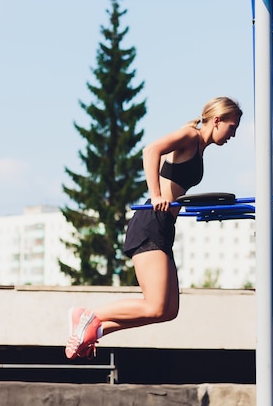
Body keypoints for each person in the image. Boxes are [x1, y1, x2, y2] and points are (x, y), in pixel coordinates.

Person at [65, 96, 243, 359]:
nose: (234, 134)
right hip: (151, 224)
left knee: (167, 311)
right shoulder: (190, 136)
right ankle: (88, 317)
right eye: (232, 127)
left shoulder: (199, 148)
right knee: (154, 305)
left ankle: (95, 330)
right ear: (217, 120)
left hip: (163, 228)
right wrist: (156, 193)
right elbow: (151, 151)